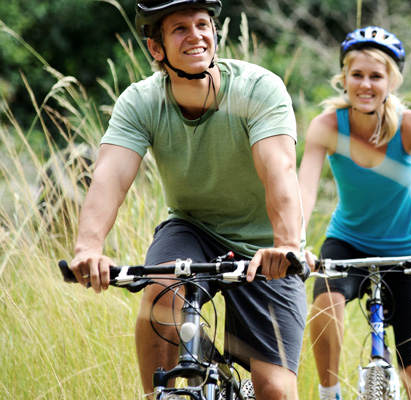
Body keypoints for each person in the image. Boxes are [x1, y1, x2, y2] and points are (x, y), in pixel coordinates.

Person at [68, 0, 307, 398]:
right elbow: (110, 175)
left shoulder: (257, 88)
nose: (196, 35)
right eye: (180, 28)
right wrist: (88, 248)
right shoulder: (141, 101)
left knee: (275, 391)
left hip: (266, 246)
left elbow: (278, 169)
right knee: (160, 283)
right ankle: (159, 395)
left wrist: (285, 245)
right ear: (156, 48)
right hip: (193, 227)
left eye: (202, 24)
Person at [299, 26, 411, 400]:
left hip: (410, 251)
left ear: (392, 80)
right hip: (348, 243)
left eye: (376, 76)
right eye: (357, 75)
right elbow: (303, 190)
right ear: (344, 78)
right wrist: (296, 244)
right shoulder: (326, 126)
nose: (365, 84)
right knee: (325, 303)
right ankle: (329, 392)